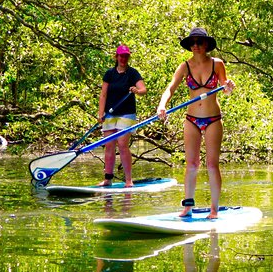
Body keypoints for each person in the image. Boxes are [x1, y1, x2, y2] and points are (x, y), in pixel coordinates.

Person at [157, 28, 235, 219]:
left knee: (211, 165)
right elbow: (170, 88)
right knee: (191, 164)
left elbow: (226, 88)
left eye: (200, 42)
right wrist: (162, 105)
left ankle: (214, 209)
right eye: (193, 43)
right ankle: (188, 207)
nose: (196, 46)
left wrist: (229, 88)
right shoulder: (185, 66)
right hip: (191, 120)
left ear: (206, 44)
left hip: (213, 119)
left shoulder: (217, 64)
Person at [98, 45, 147, 187]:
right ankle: (108, 178)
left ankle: (128, 180)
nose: (123, 59)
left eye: (126, 56)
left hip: (127, 113)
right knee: (109, 145)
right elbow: (103, 95)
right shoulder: (109, 74)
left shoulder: (132, 73)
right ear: (116, 57)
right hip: (110, 113)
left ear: (128, 57)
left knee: (122, 144)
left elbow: (143, 89)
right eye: (121, 56)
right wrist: (101, 113)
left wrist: (137, 90)